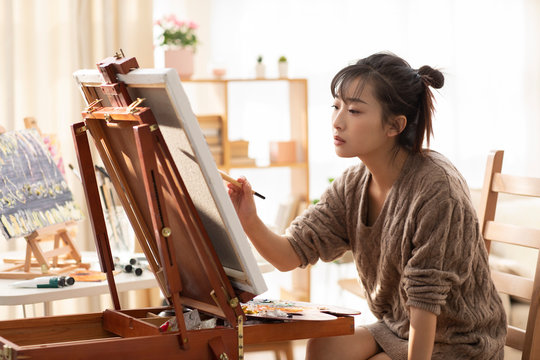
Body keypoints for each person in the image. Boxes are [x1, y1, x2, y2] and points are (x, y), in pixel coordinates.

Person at [227, 52, 507, 360]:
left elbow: (425, 305)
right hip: (396, 328)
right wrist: (248, 220)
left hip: (459, 341)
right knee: (323, 347)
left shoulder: (437, 189)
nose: (337, 121)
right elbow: (289, 255)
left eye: (355, 111)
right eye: (336, 106)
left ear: (394, 126)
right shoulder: (352, 185)